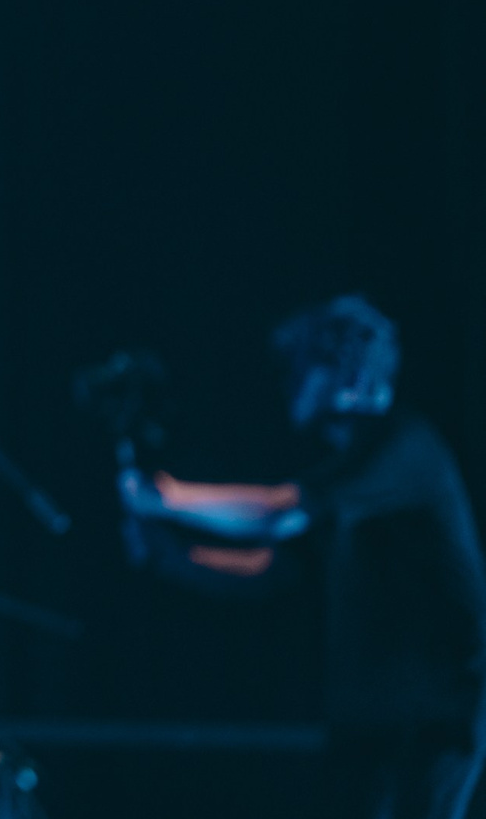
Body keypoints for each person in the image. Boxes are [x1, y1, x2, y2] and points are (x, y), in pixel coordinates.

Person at [122, 295, 486, 819]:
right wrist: (174, 557)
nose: (290, 381)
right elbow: (272, 568)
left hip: (436, 715)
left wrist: (168, 497)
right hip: (372, 716)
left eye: (304, 366)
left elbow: (280, 512)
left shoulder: (403, 445)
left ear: (348, 374)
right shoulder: (350, 477)